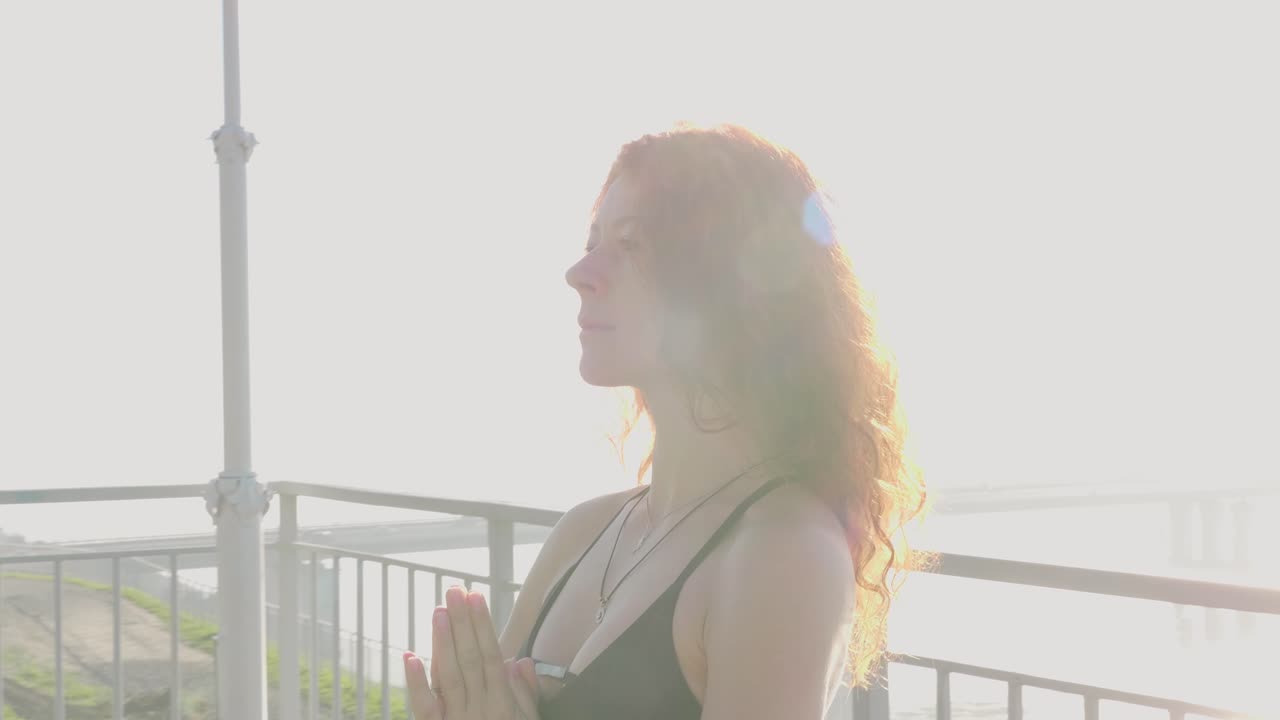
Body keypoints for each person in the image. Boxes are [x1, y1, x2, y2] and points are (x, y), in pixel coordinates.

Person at [404, 123, 929, 719]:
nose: (580, 272)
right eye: (594, 239)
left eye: (632, 245)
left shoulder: (784, 554)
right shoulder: (586, 530)